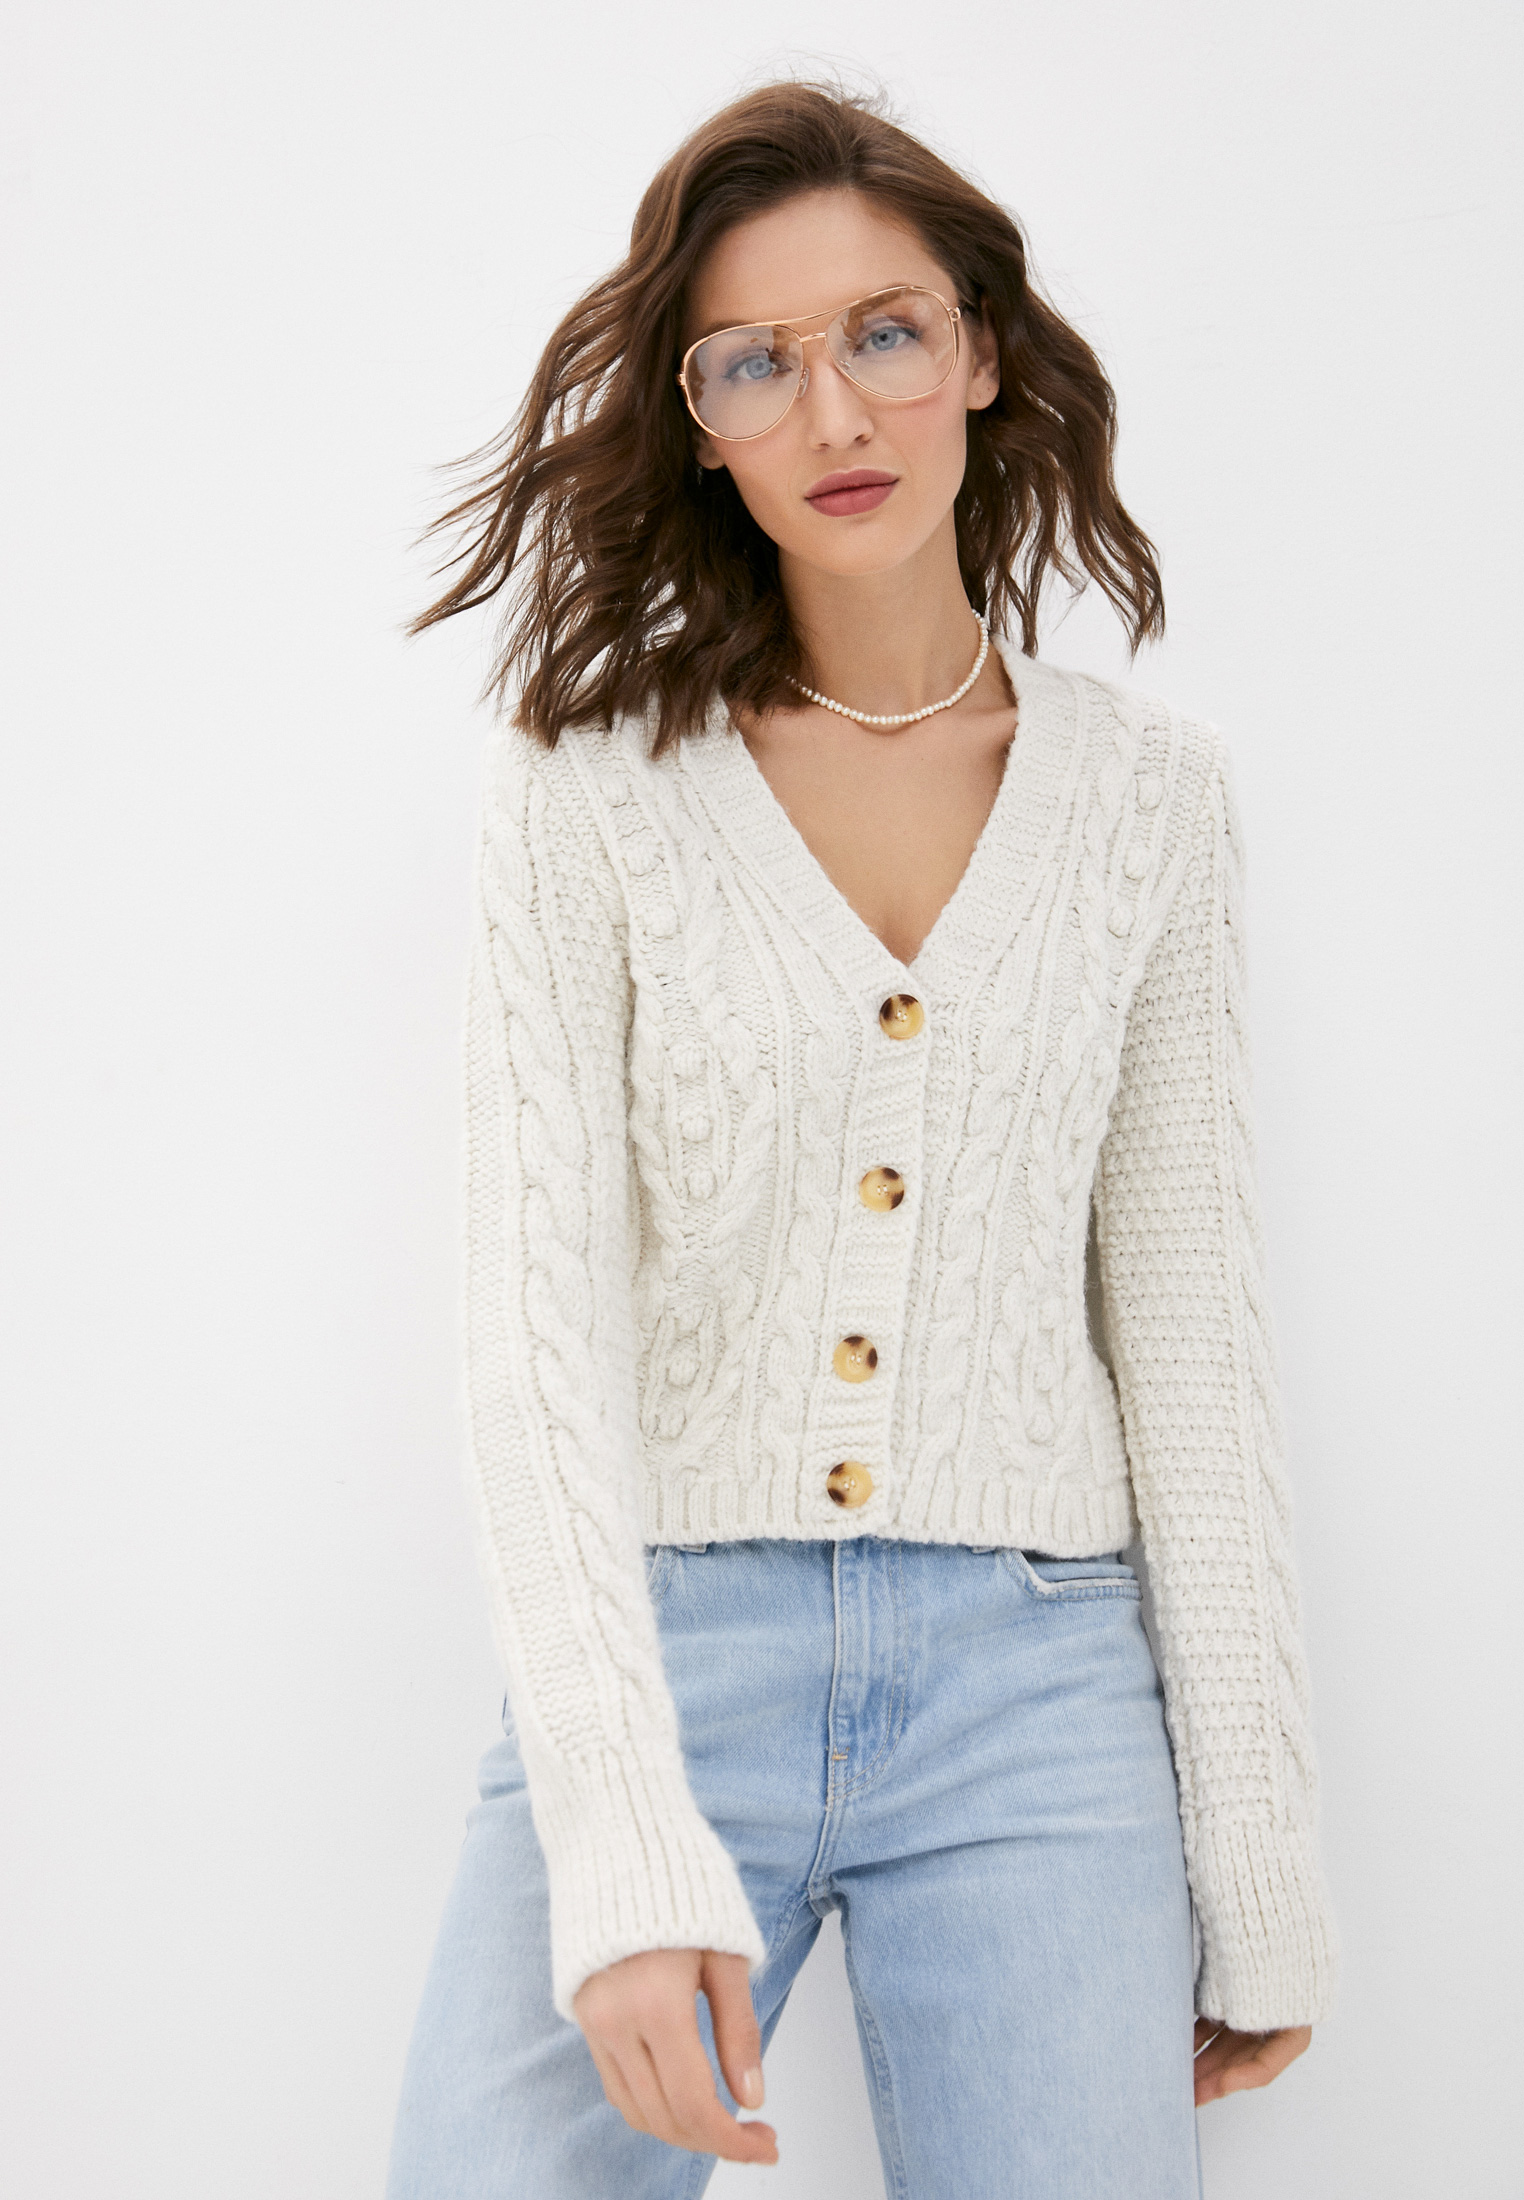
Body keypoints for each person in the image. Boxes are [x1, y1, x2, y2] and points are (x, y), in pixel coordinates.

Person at [383, 80, 1338, 2199]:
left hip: (1037, 1686)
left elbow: (1188, 1330)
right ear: (700, 422)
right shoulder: (589, 787)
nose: (834, 407)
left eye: (885, 332)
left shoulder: (1152, 799)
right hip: (669, 1649)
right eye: (755, 361)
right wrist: (618, 1830)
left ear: (980, 350)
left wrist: (1257, 1842)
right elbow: (530, 1334)